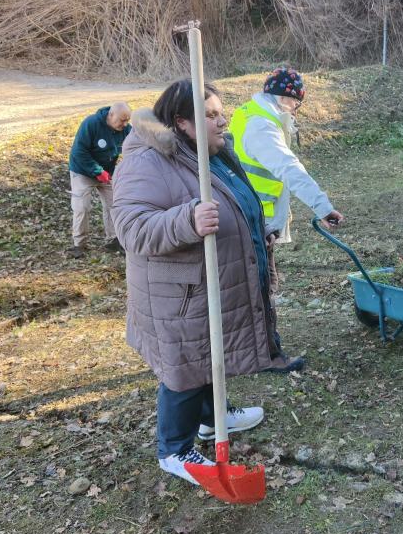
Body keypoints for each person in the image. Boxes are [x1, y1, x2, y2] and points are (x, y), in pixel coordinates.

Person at [111, 80, 281, 484]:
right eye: (211, 115)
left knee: (210, 356)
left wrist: (254, 228)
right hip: (179, 295)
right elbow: (131, 228)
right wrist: (186, 220)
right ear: (182, 122)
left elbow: (236, 200)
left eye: (221, 111)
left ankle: (212, 418)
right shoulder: (147, 161)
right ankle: (174, 450)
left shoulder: (211, 153)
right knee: (184, 369)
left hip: (210, 284)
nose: (223, 120)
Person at [228, 68, 344, 361]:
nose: (296, 110)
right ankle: (267, 354)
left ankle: (246, 350)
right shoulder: (262, 127)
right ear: (287, 98)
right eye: (296, 103)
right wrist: (323, 207)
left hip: (250, 214)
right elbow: (289, 168)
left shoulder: (251, 113)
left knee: (254, 286)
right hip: (255, 219)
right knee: (262, 287)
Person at [67, 102, 132, 257]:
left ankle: (114, 239)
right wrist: (96, 171)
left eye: (127, 120)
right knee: (82, 207)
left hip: (107, 172)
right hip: (82, 171)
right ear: (111, 115)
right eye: (122, 120)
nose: (124, 124)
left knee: (114, 205)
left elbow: (135, 146)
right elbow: (79, 151)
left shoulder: (126, 130)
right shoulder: (91, 124)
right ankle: (79, 245)